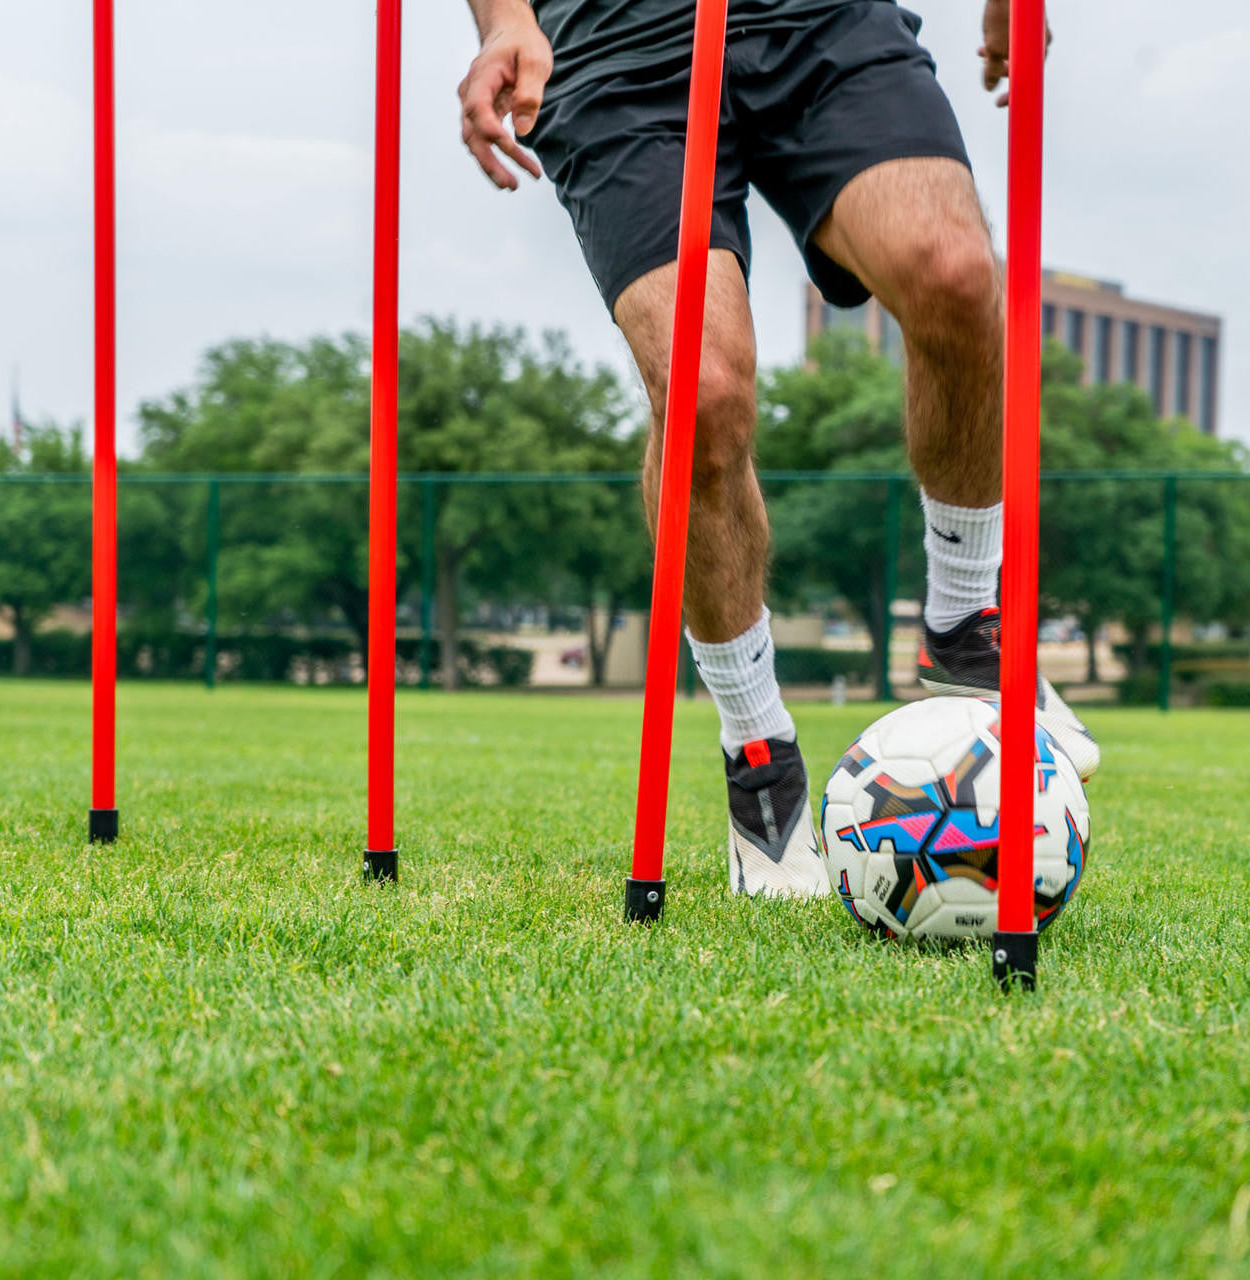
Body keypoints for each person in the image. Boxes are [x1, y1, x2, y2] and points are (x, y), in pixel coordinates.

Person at [458, 0, 1099, 897]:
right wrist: (502, 19)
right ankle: (759, 752)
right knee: (703, 395)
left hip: (816, 18)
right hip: (615, 43)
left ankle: (964, 621)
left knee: (954, 274)